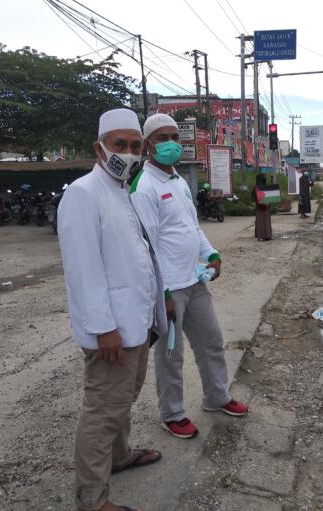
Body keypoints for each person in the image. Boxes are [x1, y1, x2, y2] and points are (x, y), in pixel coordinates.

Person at [58, 108, 167, 511]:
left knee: (122, 400)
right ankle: (92, 499)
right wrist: (104, 328)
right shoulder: (84, 193)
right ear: (99, 147)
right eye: (119, 144)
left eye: (135, 146)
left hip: (135, 325)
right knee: (102, 412)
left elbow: (137, 258)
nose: (128, 152)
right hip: (112, 331)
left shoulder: (122, 190)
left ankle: (119, 458)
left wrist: (158, 307)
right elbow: (83, 271)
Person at [130, 113, 249, 440]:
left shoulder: (180, 182)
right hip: (169, 292)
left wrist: (211, 254)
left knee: (211, 341)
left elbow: (192, 229)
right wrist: (162, 294)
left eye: (174, 137)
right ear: (147, 145)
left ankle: (217, 397)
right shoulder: (144, 187)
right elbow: (147, 247)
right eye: (162, 137)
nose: (170, 143)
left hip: (195, 283)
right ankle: (172, 413)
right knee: (171, 356)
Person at [253, 172, 273, 240]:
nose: (265, 178)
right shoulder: (256, 187)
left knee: (266, 221)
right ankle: (260, 236)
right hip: (260, 207)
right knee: (260, 221)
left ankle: (267, 235)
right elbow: (254, 196)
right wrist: (261, 202)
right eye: (263, 177)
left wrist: (269, 201)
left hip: (266, 207)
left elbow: (269, 194)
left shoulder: (265, 186)